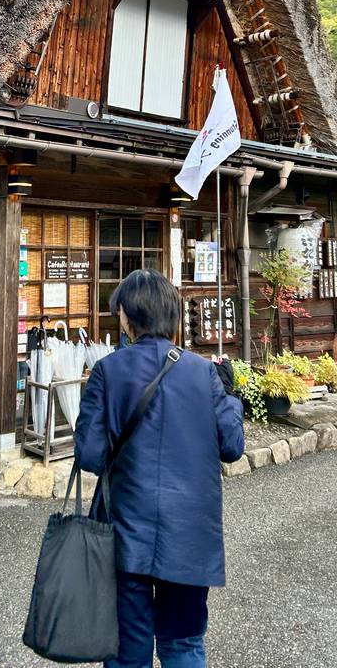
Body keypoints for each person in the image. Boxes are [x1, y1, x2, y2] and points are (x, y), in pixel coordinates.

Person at [74, 269, 244, 668]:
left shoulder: (108, 371)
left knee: (126, 650)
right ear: (172, 317)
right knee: (182, 645)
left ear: (128, 318)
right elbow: (232, 447)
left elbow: (89, 456)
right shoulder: (203, 373)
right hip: (189, 536)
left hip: (125, 533)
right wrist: (231, 396)